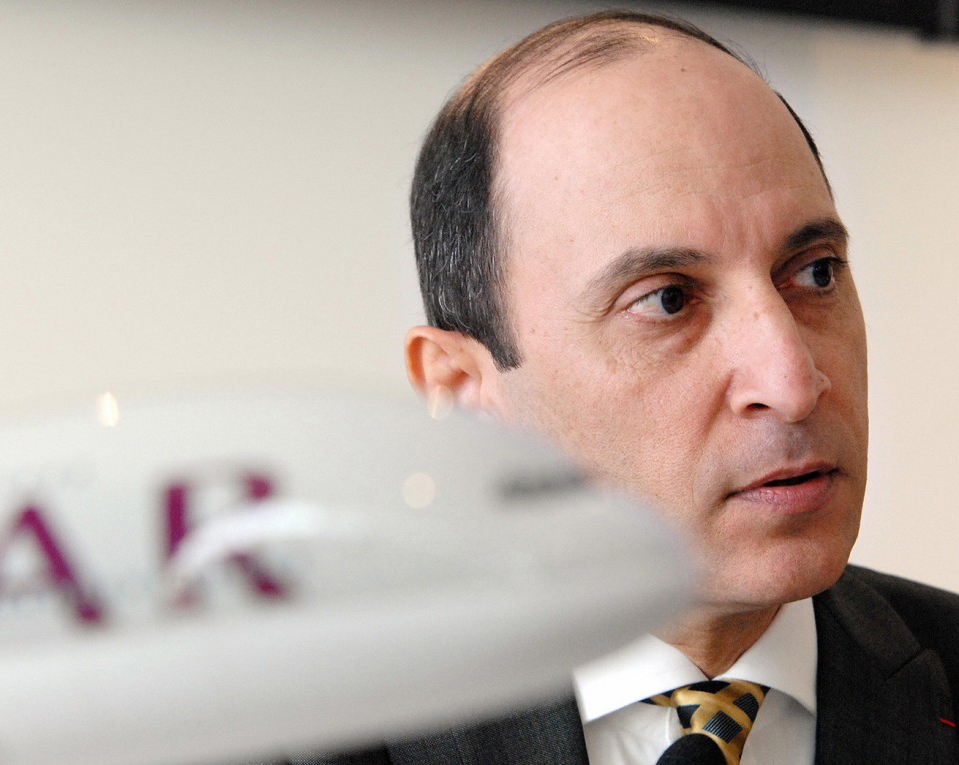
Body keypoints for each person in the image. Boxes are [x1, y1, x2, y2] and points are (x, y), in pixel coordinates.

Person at [292, 9, 959, 764]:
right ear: (466, 391)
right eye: (669, 299)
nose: (793, 382)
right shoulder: (294, 732)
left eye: (814, 273)